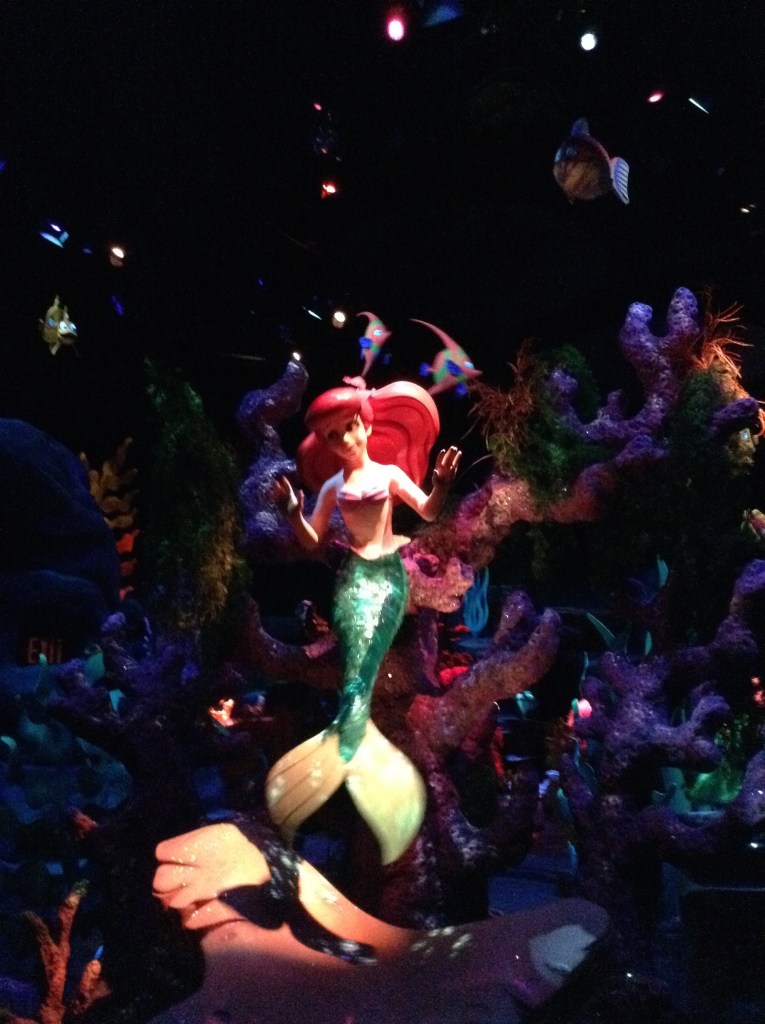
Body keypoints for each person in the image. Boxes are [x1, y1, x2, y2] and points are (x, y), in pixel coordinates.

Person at [270, 380, 461, 863]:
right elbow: (312, 539)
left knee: (365, 673)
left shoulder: (390, 474)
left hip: (388, 577)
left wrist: (441, 483)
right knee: (354, 677)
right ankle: (354, 759)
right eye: (332, 436)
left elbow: (427, 510)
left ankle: (357, 759)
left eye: (350, 427)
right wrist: (293, 514)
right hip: (353, 580)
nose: (345, 440)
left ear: (367, 426)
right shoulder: (333, 487)